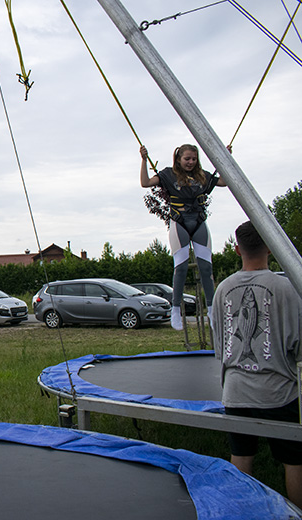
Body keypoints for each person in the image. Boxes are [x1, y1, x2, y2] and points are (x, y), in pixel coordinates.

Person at [212, 220, 302, 508]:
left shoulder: (222, 290)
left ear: (237, 249)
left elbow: (220, 347)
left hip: (236, 392)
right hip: (279, 393)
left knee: (241, 457)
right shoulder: (288, 288)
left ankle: (243, 511)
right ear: (271, 248)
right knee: (294, 461)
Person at [140, 143, 227, 330]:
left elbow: (225, 182)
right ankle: (176, 309)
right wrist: (144, 160)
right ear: (179, 159)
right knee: (180, 268)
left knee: (206, 268)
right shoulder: (168, 174)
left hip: (199, 222)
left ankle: (211, 311)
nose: (190, 162)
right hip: (179, 222)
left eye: (194, 159)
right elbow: (145, 183)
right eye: (187, 159)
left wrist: (225, 160)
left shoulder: (202, 176)